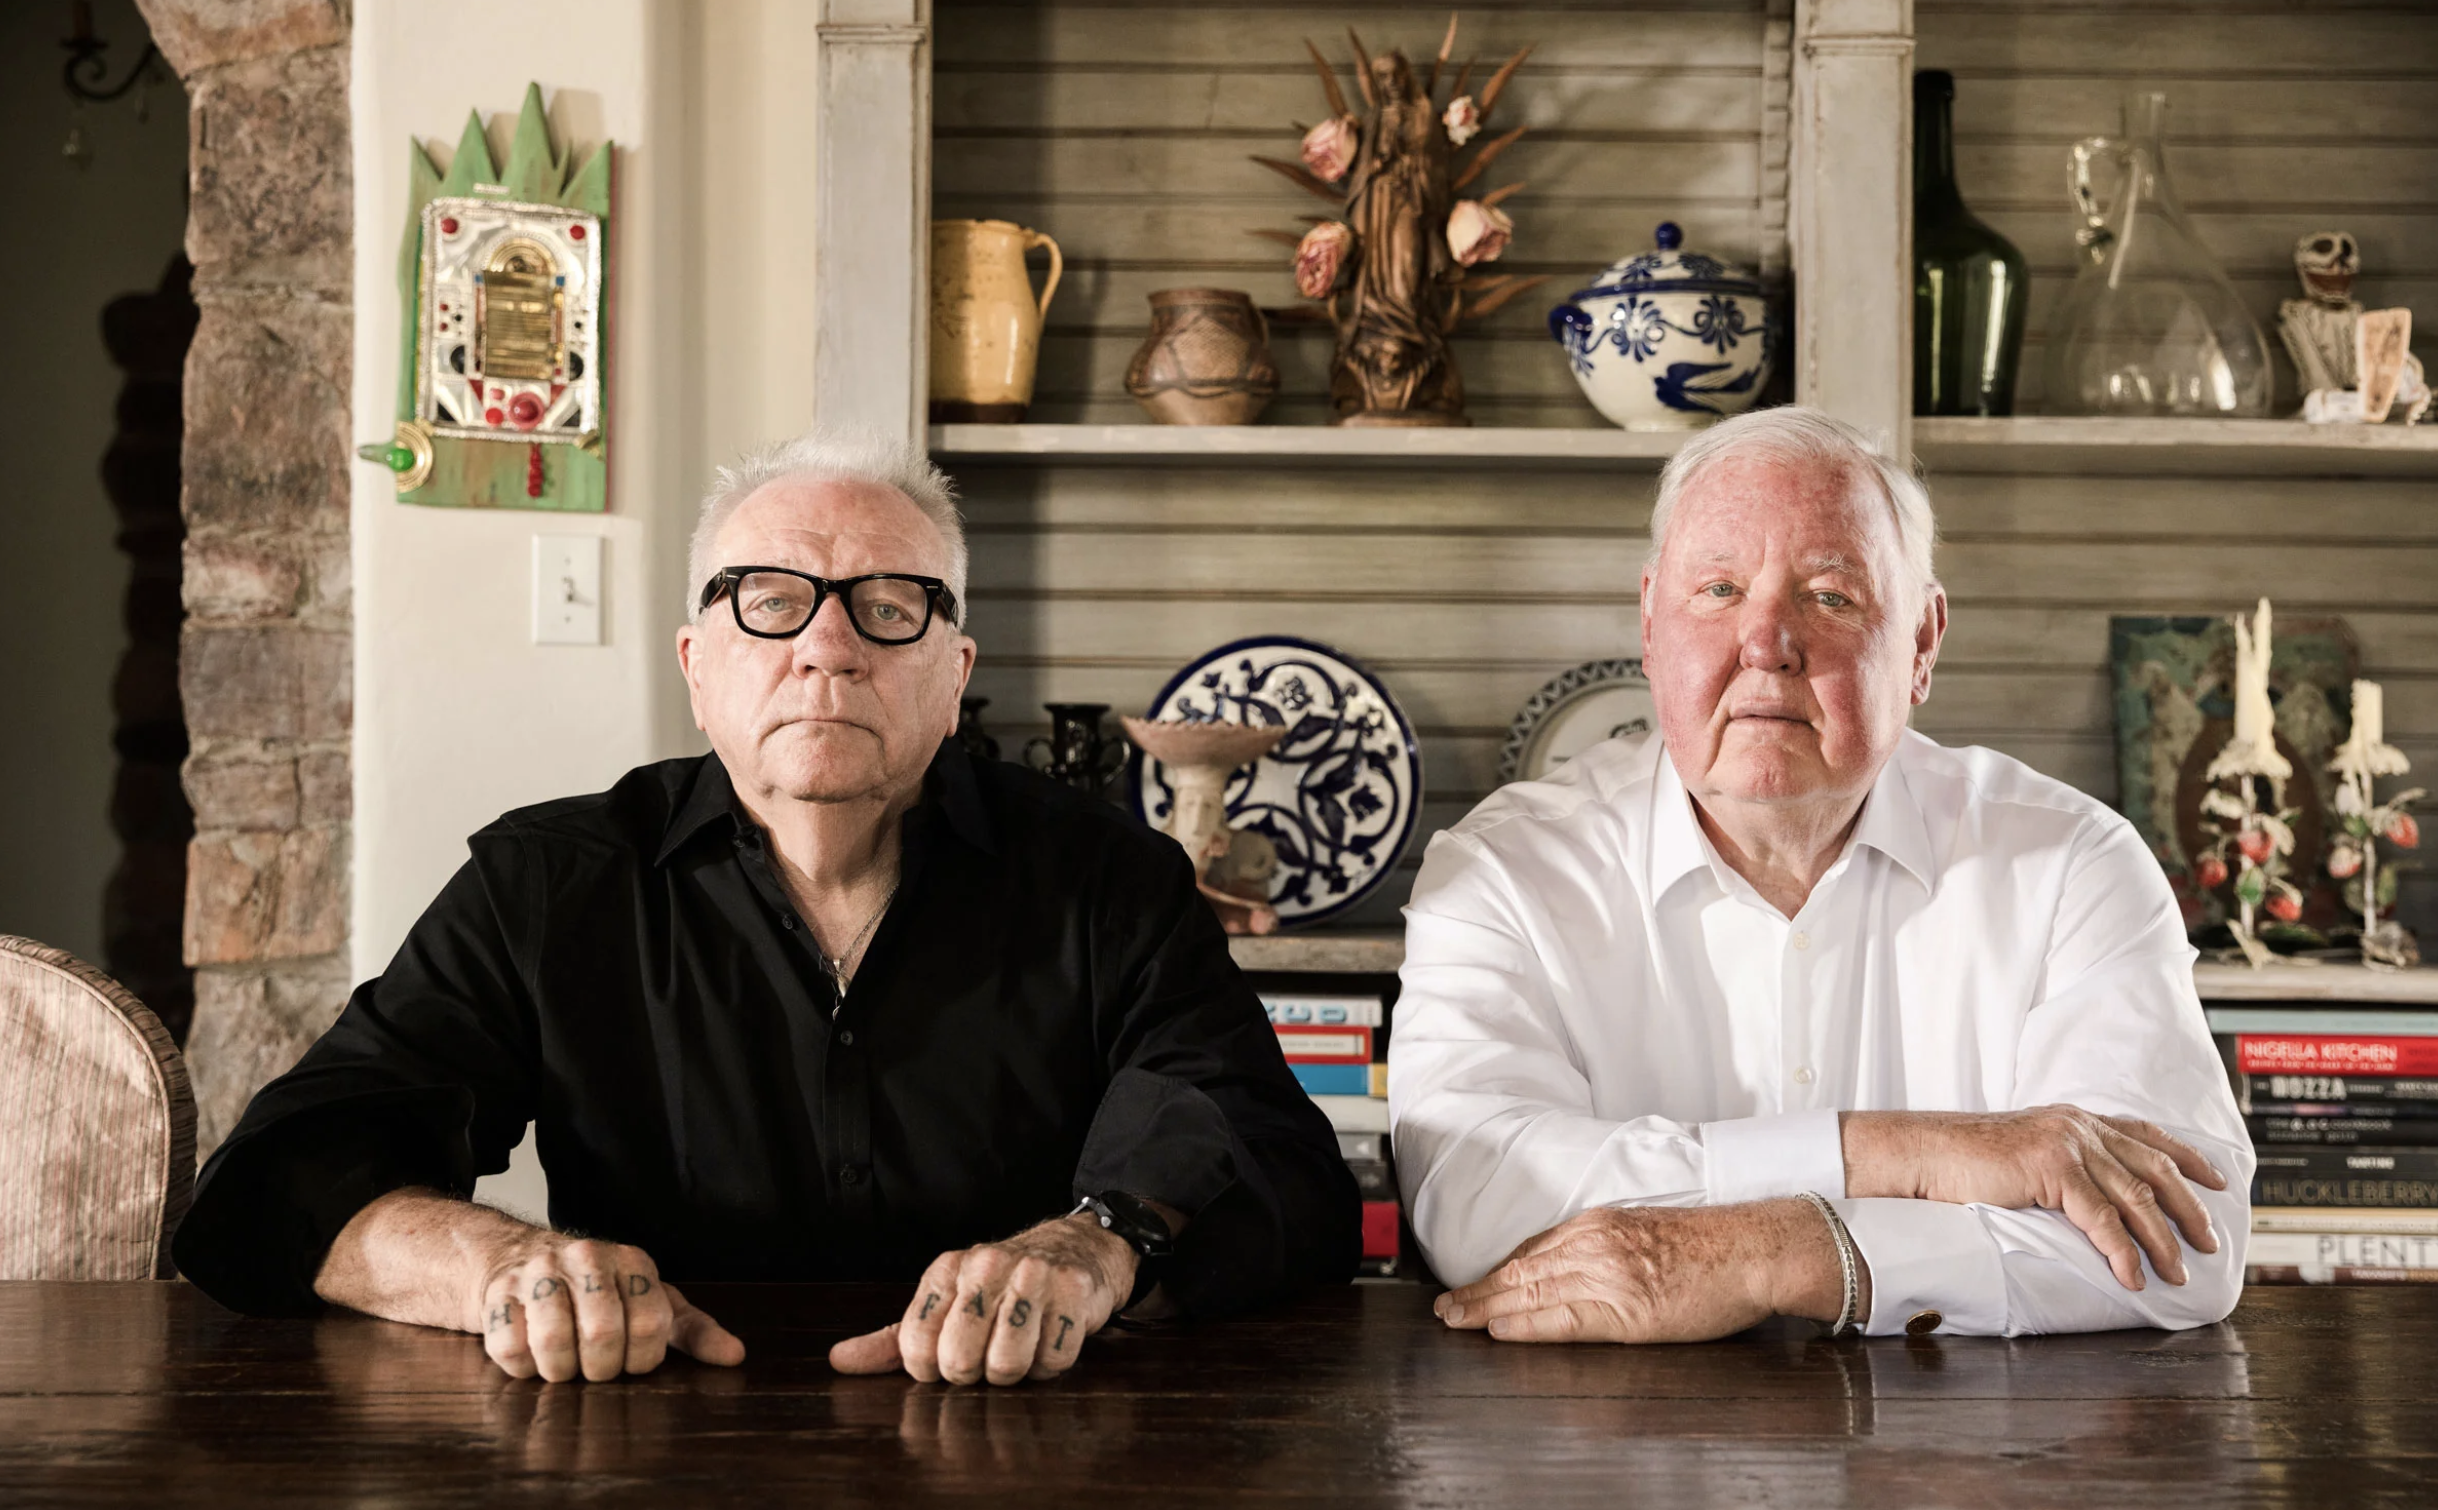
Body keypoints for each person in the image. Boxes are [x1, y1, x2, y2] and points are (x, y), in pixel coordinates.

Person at [173, 429, 1359, 1386]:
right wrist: (501, 1264)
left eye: (890, 604)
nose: (828, 645)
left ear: (954, 676)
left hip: (1026, 1444)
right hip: (636, 1452)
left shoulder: (1109, 879)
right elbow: (285, 1178)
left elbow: (1280, 1172)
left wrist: (1098, 1246)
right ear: (696, 666)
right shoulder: (549, 884)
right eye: (769, 599)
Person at [1389, 406, 2251, 1343]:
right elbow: (1473, 1204)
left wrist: (1786, 1253)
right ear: (1649, 626)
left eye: (1830, 597)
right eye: (1718, 591)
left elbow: (2182, 1249)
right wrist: (1910, 1155)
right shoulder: (1506, 870)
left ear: (1922, 642)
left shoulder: (2072, 863)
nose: (1766, 644)